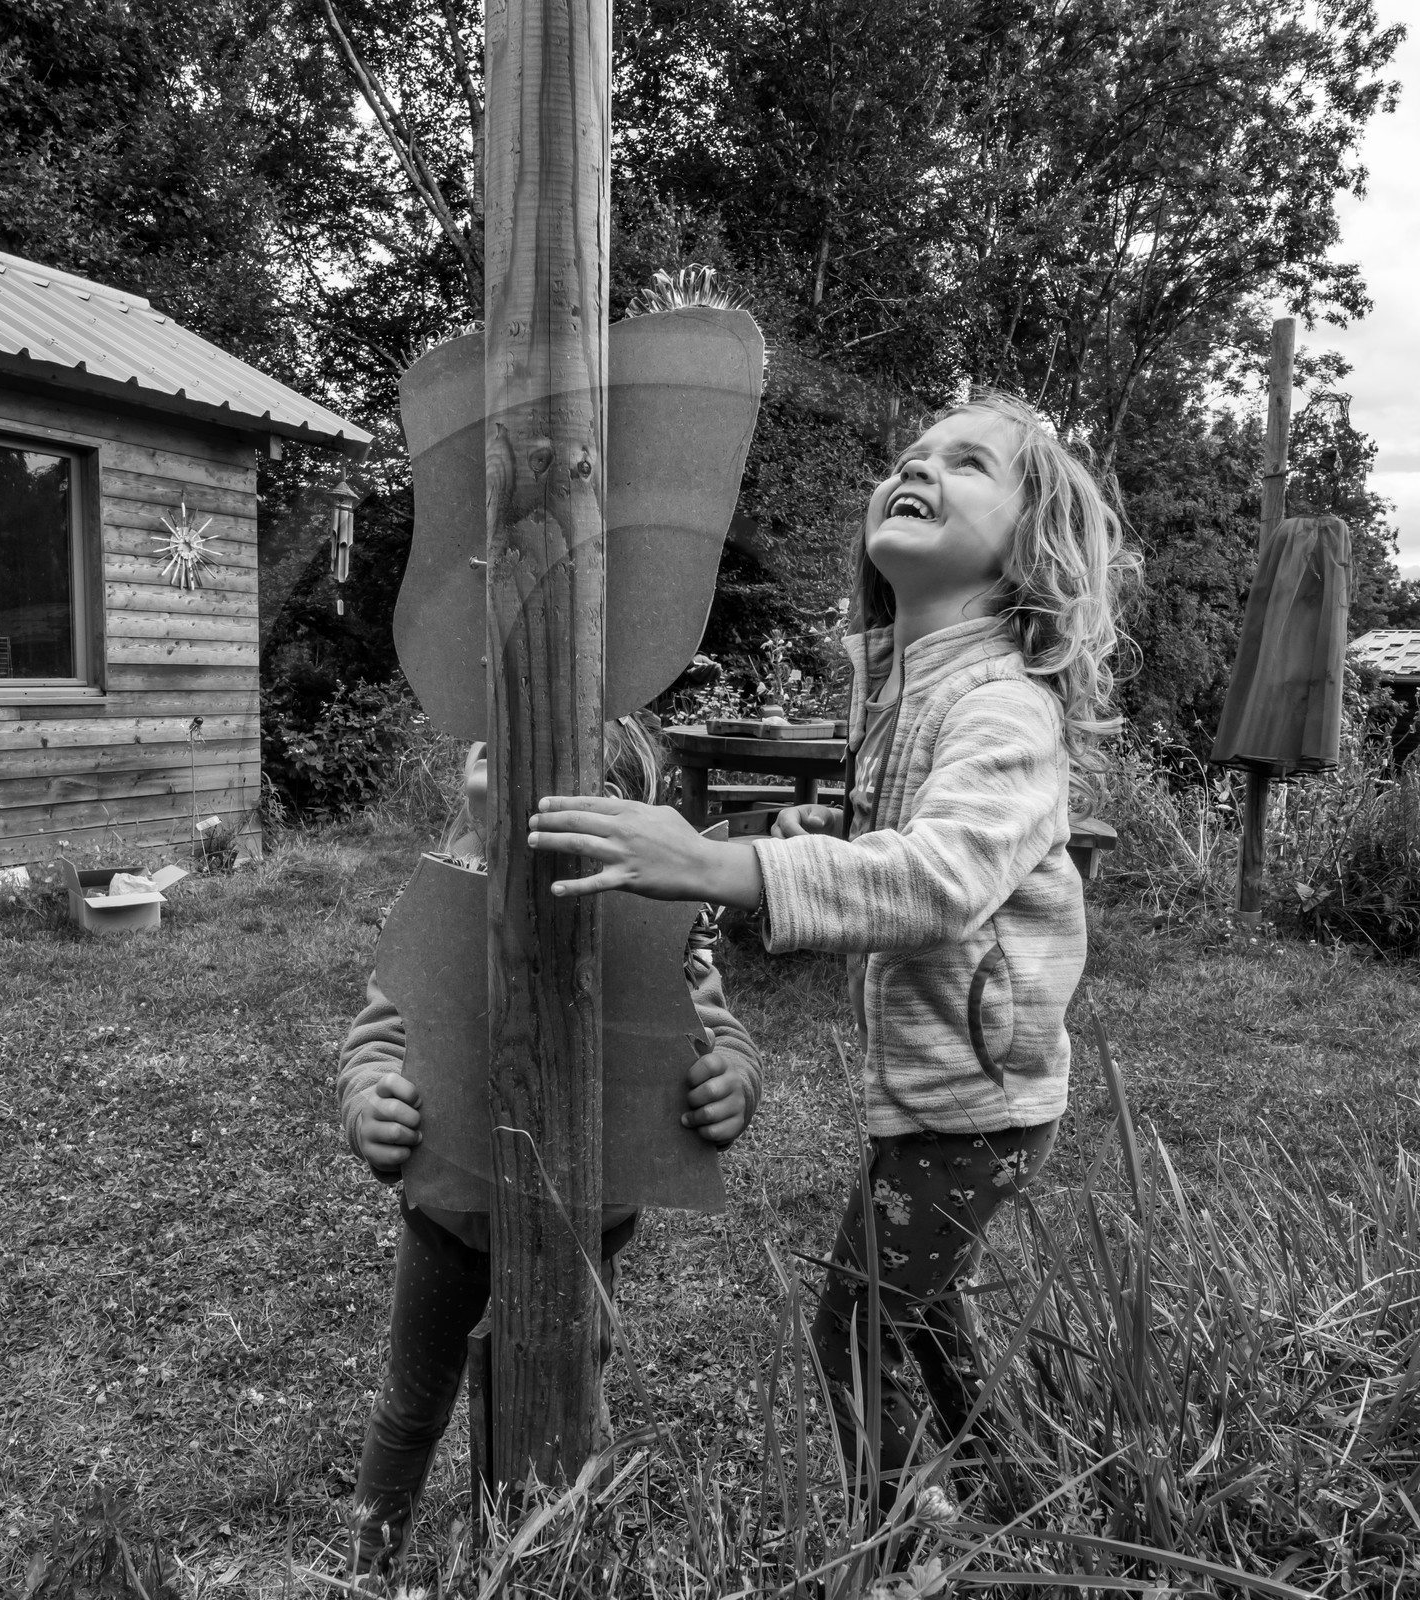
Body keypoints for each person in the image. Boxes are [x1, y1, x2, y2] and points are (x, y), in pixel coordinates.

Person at [527, 391, 1136, 1511]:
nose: (920, 466)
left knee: (857, 1321)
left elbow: (947, 879)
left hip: (979, 1094)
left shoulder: (1002, 702)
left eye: (966, 463)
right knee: (920, 1303)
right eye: (910, 454)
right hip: (949, 1082)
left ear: (1028, 547)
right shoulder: (912, 676)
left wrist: (724, 867)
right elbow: (907, 845)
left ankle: (908, 1549)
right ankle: (1012, 1491)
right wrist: (834, 837)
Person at [337, 714, 763, 1580]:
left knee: (569, 1398)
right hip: (449, 1221)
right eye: (494, 741)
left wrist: (730, 1083)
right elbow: (380, 1035)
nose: (509, 760)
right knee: (413, 1407)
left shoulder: (642, 911)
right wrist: (368, 1106)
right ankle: (369, 1568)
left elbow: (713, 1028)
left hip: (584, 1228)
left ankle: (560, 1558)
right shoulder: (446, 886)